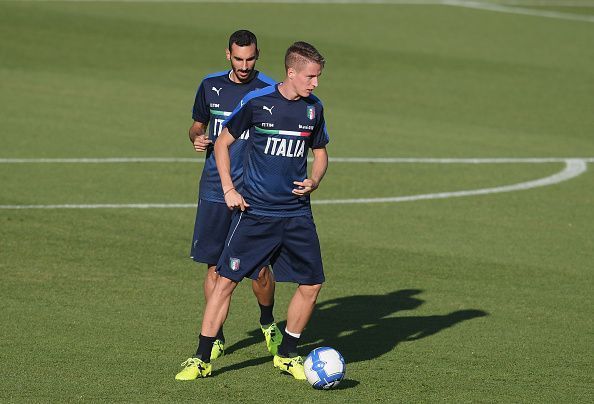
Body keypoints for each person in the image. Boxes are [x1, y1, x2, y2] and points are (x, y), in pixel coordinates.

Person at [178, 41, 329, 380]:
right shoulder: (258, 104)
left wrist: (315, 180)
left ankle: (287, 353)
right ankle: (202, 357)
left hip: (297, 214)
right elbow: (222, 142)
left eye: (318, 77)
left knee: (312, 284)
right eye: (311, 77)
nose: (315, 84)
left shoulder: (314, 110)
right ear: (292, 73)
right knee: (225, 280)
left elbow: (319, 152)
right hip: (257, 213)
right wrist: (230, 188)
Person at [176, 30, 281, 381]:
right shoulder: (210, 86)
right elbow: (196, 125)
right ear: (228, 55)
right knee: (214, 268)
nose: (244, 65)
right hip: (214, 189)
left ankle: (267, 321)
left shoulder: (270, 90)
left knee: (261, 270)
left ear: (258, 55)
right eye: (238, 59)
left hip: (253, 192)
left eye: (250, 58)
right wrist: (196, 137)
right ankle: (215, 336)